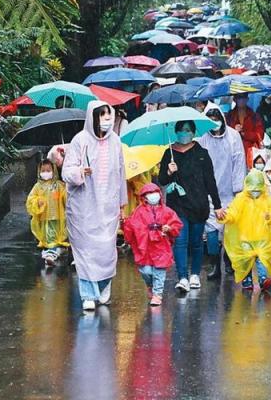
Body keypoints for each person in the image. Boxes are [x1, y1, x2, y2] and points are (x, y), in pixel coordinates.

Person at [62, 100, 128, 312]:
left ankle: (103, 284)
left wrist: (122, 203)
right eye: (102, 116)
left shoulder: (116, 141)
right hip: (83, 207)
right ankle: (88, 295)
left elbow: (121, 172)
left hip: (107, 206)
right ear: (93, 117)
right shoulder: (80, 140)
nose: (107, 120)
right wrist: (81, 171)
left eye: (109, 116)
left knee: (106, 250)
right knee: (85, 252)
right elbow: (66, 171)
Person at [157, 120, 224, 292]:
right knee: (180, 241)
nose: (184, 133)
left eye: (188, 130)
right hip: (177, 206)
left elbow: (210, 182)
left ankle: (195, 274)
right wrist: (169, 172)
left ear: (193, 132)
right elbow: (162, 181)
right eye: (181, 130)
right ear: (176, 132)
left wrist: (217, 205)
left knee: (196, 242)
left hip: (199, 204)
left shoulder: (202, 153)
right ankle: (182, 277)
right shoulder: (169, 153)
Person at [196, 102, 246, 280]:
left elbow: (239, 162)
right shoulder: (202, 137)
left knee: (229, 229)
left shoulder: (233, 137)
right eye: (211, 120)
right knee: (210, 229)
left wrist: (238, 189)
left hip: (229, 192)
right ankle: (214, 265)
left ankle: (229, 260)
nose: (214, 123)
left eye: (217, 119)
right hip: (209, 192)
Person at [122, 183, 183, 306]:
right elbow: (131, 226)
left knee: (160, 271)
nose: (152, 196)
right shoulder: (138, 212)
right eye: (149, 193)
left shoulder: (167, 211)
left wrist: (169, 228)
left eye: (154, 192)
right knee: (146, 271)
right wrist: (124, 226)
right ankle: (150, 285)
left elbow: (177, 224)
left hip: (161, 246)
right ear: (144, 197)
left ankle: (157, 294)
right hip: (145, 247)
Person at [221, 169, 271, 292]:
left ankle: (263, 279)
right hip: (245, 237)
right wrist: (225, 216)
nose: (255, 193)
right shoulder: (240, 199)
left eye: (258, 190)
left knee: (261, 258)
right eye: (253, 190)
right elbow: (233, 212)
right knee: (245, 259)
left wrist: (269, 217)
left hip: (261, 236)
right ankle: (247, 279)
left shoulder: (266, 199)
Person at [26, 158, 69, 266]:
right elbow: (31, 199)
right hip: (44, 217)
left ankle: (52, 251)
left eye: (48, 170)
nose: (46, 173)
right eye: (43, 170)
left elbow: (66, 197)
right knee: (48, 236)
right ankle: (53, 250)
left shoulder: (59, 185)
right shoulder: (37, 187)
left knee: (54, 235)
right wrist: (37, 202)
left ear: (53, 170)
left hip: (57, 216)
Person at [226, 94, 265, 168]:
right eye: (239, 98)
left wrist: (244, 133)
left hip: (250, 154)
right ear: (234, 100)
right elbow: (225, 133)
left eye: (243, 97)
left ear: (247, 99)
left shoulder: (254, 116)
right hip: (233, 153)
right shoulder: (230, 116)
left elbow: (260, 135)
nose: (242, 100)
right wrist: (234, 130)